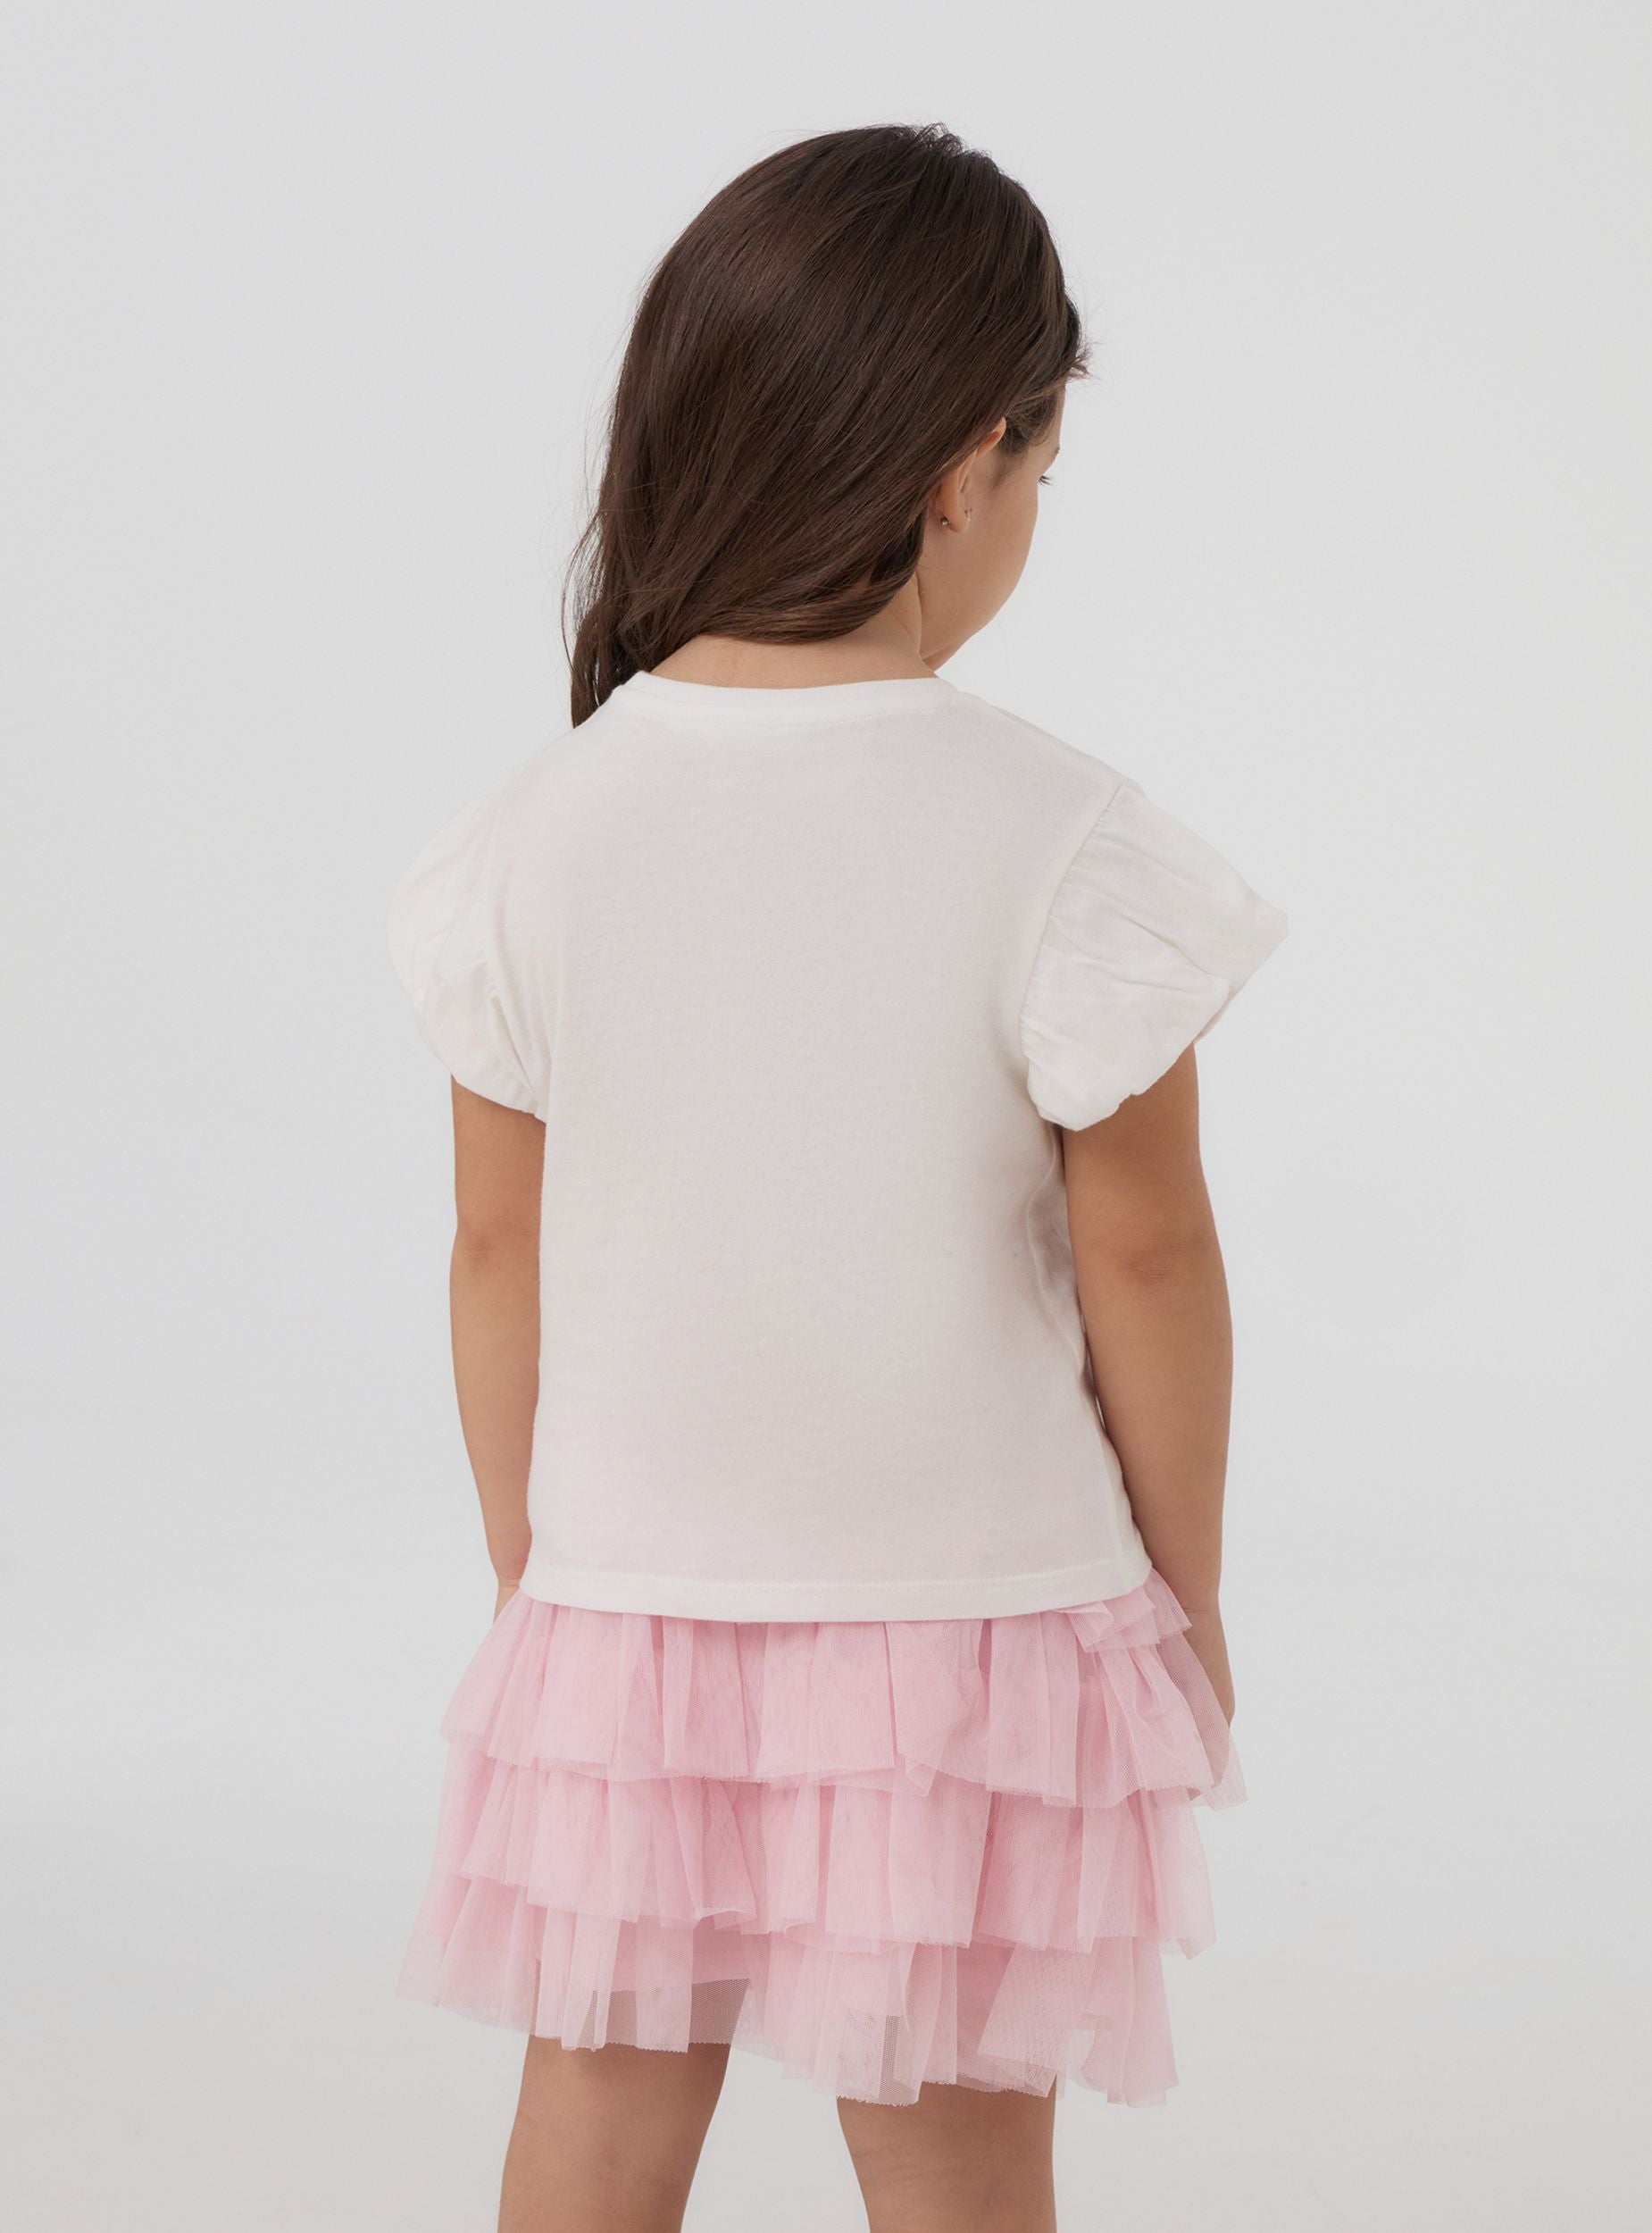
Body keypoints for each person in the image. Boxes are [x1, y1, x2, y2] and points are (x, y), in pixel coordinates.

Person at [387, 121, 1289, 2233]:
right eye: (1044, 470)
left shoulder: (530, 830)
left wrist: (547, 1577)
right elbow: (1149, 1256)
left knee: (596, 2124)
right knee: (959, 2157)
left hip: (632, 1611)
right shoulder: (1061, 841)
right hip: (979, 1630)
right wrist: (1185, 1592)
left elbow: (494, 1244)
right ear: (967, 468)